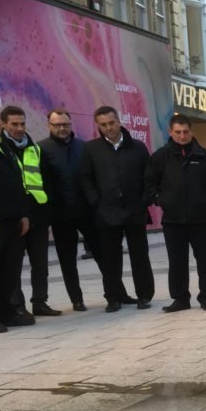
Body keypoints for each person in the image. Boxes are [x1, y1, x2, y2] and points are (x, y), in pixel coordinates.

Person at [144, 114, 206, 313]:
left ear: (191, 132)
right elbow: (148, 183)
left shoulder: (204, 156)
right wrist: (160, 200)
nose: (182, 136)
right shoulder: (160, 157)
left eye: (186, 132)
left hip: (200, 220)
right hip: (173, 221)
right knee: (177, 262)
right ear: (170, 132)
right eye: (178, 132)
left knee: (204, 261)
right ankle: (180, 298)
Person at [80, 105, 155, 312]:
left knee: (140, 255)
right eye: (103, 125)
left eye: (111, 123)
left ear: (119, 121)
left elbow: (149, 177)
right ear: (98, 126)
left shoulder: (138, 147)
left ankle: (144, 295)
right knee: (110, 258)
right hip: (107, 212)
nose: (108, 128)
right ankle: (113, 297)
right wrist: (96, 202)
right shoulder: (91, 149)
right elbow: (85, 178)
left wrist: (143, 201)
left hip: (134, 210)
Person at [0, 105, 62, 317]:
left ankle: (40, 301)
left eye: (22, 123)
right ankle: (17, 305)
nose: (19, 128)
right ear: (4, 125)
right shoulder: (1, 150)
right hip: (16, 216)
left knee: (40, 263)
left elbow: (46, 182)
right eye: (14, 124)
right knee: (14, 264)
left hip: (39, 214)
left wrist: (47, 210)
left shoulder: (35, 149)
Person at [39, 108, 92, 311]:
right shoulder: (41, 149)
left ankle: (115, 294)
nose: (62, 128)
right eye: (57, 125)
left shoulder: (83, 147)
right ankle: (76, 299)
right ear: (49, 126)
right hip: (60, 215)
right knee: (68, 261)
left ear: (71, 125)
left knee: (104, 255)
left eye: (66, 124)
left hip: (86, 212)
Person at [0, 105, 31, 332]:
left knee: (10, 270)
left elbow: (18, 182)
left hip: (12, 220)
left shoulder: (3, 146)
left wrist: (23, 213)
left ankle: (8, 312)